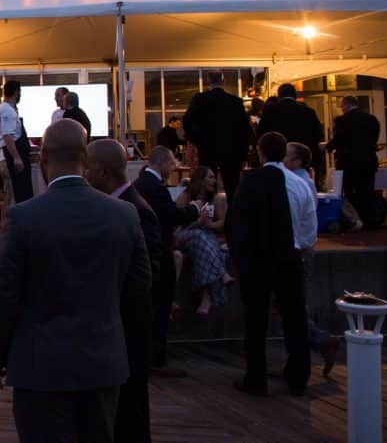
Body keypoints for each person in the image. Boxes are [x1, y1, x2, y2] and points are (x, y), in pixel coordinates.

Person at [0, 120, 150, 443]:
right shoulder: (124, 215)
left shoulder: (23, 217)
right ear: (85, 158)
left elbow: (2, 294)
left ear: (43, 157)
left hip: (39, 367)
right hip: (103, 364)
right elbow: (139, 293)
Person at [86, 138, 160, 443]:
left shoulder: (136, 211)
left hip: (128, 329)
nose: (84, 175)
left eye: (88, 169)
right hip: (115, 330)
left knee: (130, 410)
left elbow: (145, 276)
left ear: (103, 172)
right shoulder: (121, 207)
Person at [226, 132, 311, 397]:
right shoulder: (299, 184)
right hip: (290, 257)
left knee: (255, 320)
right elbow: (309, 227)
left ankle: (255, 377)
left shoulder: (250, 183)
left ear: (260, 152)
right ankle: (298, 376)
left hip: (257, 260)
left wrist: (240, 257)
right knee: (295, 318)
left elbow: (237, 223)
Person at [133, 146, 202, 376]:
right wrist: (194, 210)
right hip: (160, 252)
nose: (174, 168)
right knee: (161, 306)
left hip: (149, 251)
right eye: (172, 163)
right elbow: (170, 214)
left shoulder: (140, 183)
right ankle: (157, 358)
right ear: (162, 162)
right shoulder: (156, 188)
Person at [284, 141, 340, 376]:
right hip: (302, 247)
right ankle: (306, 352)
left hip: (300, 250)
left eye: (286, 155)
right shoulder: (302, 181)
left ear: (297, 160)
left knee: (292, 304)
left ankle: (320, 341)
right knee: (291, 303)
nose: (282, 158)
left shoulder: (298, 183)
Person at [173, 166, 235, 315]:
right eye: (210, 177)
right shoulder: (185, 196)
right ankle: (221, 273)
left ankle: (206, 300)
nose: (214, 181)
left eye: (214, 177)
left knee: (205, 240)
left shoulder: (216, 198)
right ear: (201, 180)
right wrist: (199, 223)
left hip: (204, 240)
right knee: (200, 235)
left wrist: (209, 224)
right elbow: (176, 226)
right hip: (183, 236)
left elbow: (223, 223)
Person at [182, 71, 251, 200]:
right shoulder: (235, 101)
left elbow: (186, 121)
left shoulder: (200, 99)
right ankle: (231, 211)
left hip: (207, 147)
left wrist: (197, 140)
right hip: (231, 150)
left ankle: (207, 208)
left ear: (208, 81)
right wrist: (243, 154)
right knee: (232, 186)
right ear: (223, 80)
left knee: (207, 185)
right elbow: (244, 130)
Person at [326, 96, 381, 228]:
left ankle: (354, 219)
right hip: (368, 161)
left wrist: (328, 147)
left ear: (346, 105)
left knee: (350, 192)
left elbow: (339, 139)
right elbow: (374, 139)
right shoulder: (372, 119)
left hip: (348, 162)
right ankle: (369, 219)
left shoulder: (342, 120)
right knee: (367, 191)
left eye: (342, 106)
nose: (342, 109)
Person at [257, 83, 324, 187]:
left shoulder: (270, 111)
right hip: (300, 159)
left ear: (279, 96)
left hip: (277, 158)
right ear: (295, 95)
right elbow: (318, 134)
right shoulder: (308, 112)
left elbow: (261, 133)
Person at [0, 81, 33, 204]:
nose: (20, 95)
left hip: (6, 156)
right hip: (9, 159)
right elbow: (7, 136)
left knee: (11, 194)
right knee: (14, 195)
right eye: (20, 92)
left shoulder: (4, 109)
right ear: (16, 92)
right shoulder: (7, 111)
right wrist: (16, 158)